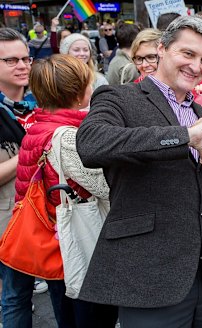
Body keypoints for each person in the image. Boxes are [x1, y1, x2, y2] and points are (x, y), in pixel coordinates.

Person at [76, 16, 202, 327]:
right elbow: (91, 144)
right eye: (187, 54)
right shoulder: (121, 97)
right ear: (161, 49)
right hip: (150, 276)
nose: (196, 66)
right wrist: (183, 136)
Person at [8, 54, 119, 328]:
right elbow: (103, 187)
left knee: (67, 313)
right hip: (76, 246)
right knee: (88, 317)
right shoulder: (66, 136)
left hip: (56, 243)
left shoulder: (38, 126)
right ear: (78, 93)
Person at [0, 27, 41, 327]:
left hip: (47, 217)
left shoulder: (39, 104)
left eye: (26, 59)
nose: (22, 66)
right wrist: (30, 150)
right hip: (9, 223)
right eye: (11, 61)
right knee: (15, 296)